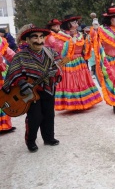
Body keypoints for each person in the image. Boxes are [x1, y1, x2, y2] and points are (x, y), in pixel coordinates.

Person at [2, 24, 62, 152]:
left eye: (41, 37)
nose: (39, 40)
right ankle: (31, 141)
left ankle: (49, 138)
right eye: (35, 37)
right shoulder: (20, 56)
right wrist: (22, 83)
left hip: (48, 88)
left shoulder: (50, 52)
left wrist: (56, 72)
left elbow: (59, 65)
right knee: (35, 117)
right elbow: (13, 73)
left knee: (49, 114)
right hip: (30, 93)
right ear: (27, 40)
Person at [48, 15, 103, 111]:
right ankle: (74, 104)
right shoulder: (61, 35)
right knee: (72, 83)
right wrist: (70, 43)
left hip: (80, 61)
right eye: (74, 22)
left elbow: (86, 48)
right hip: (68, 62)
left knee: (81, 82)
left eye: (76, 22)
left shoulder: (80, 34)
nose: (76, 24)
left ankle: (85, 101)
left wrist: (89, 39)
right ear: (68, 24)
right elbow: (59, 50)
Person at [0, 34, 16, 134]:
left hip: (1, 74)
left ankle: (4, 124)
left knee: (3, 98)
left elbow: (11, 55)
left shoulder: (0, 40)